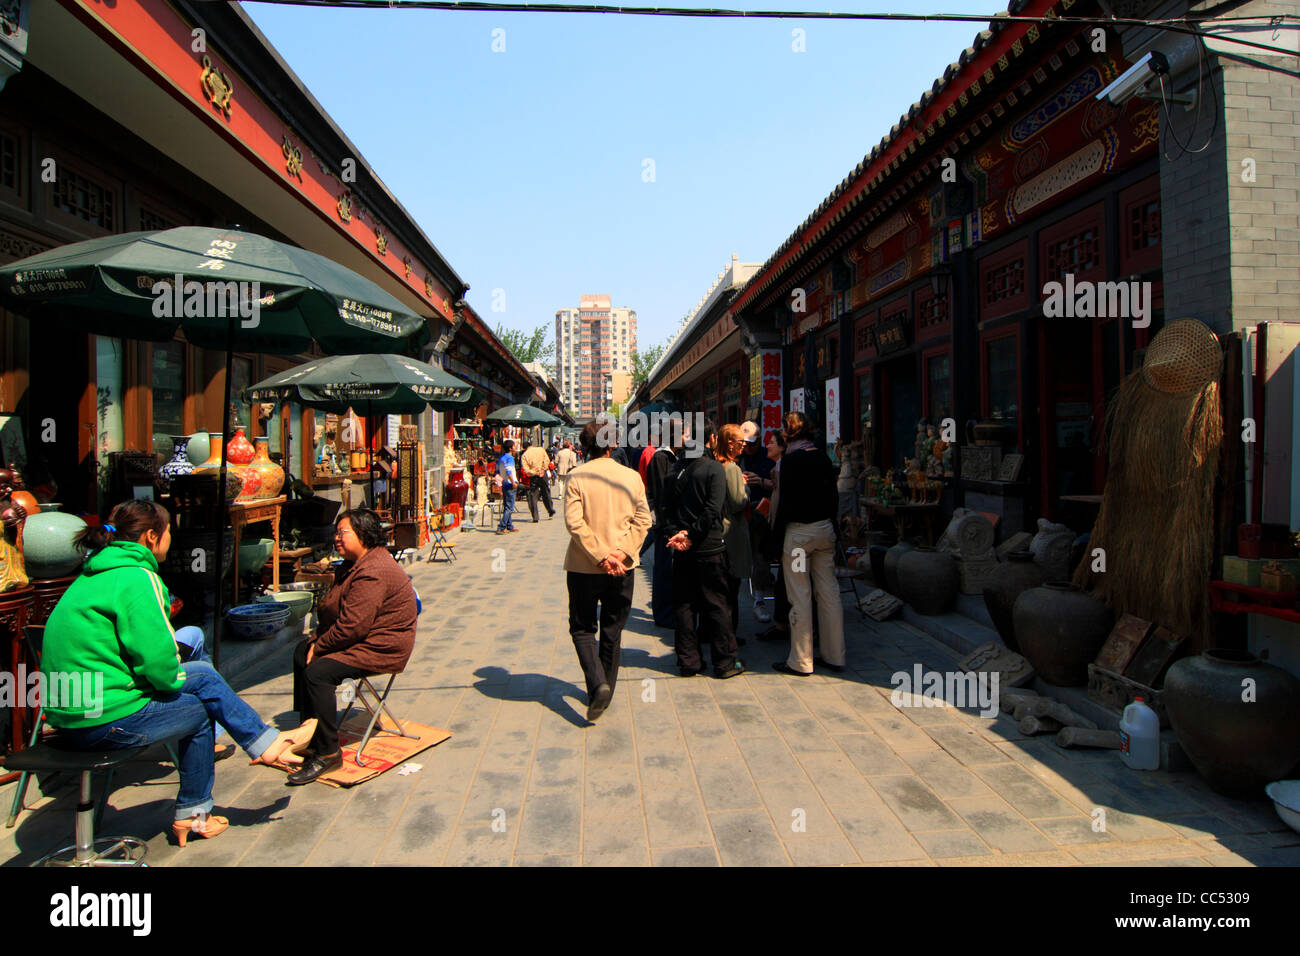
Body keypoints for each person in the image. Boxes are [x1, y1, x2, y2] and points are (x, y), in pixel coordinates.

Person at [41, 500, 309, 846]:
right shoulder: (136, 577)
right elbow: (159, 666)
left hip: (67, 717)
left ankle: (264, 744)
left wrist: (180, 679)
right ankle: (196, 814)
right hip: (101, 721)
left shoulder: (91, 575)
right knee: (199, 709)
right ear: (152, 536)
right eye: (169, 532)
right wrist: (178, 683)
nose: (171, 539)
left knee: (200, 674)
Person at [288, 508, 418, 784]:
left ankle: (328, 752)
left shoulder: (374, 570)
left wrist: (322, 646)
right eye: (336, 532)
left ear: (363, 535)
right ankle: (310, 731)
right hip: (361, 637)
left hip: (381, 645)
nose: (337, 538)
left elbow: (353, 626)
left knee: (318, 672)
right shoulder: (352, 565)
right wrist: (317, 641)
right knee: (302, 651)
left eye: (343, 532)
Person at [563, 421, 653, 722]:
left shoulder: (577, 476)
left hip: (583, 566)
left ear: (586, 445)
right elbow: (644, 520)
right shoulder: (630, 477)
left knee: (582, 628)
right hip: (623, 568)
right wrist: (620, 553)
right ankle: (605, 691)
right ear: (612, 444)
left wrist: (601, 555)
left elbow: (575, 523)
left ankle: (597, 684)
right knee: (612, 630)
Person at [662, 419, 745, 679]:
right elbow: (713, 509)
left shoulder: (675, 469)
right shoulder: (713, 469)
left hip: (683, 550)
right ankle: (725, 663)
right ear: (710, 440)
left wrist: (678, 534)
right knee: (717, 604)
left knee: (685, 606)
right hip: (709, 547)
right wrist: (692, 534)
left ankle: (689, 661)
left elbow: (664, 511)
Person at [771, 412, 844, 677]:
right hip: (824, 531)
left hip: (800, 537)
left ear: (788, 432)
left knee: (800, 594)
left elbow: (786, 505)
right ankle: (835, 654)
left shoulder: (791, 461)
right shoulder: (823, 457)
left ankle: (801, 660)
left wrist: (776, 540)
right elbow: (834, 496)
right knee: (828, 593)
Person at [716, 423, 753, 642]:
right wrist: (745, 487)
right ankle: (728, 636)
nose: (743, 446)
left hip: (721, 532)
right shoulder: (731, 469)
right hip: (731, 532)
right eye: (740, 442)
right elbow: (739, 501)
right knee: (730, 590)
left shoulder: (717, 465)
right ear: (729, 444)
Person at [738, 421, 776, 622]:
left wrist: (760, 481)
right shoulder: (735, 457)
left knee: (761, 558)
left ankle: (759, 600)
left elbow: (778, 486)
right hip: (739, 515)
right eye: (744, 443)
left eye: (751, 444)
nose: (747, 447)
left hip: (762, 514)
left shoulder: (769, 457)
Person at [644, 432, 682, 629]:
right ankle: (663, 614)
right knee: (663, 568)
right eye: (683, 433)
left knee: (669, 568)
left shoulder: (674, 457)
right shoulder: (660, 458)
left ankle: (668, 611)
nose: (686, 437)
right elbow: (661, 494)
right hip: (663, 523)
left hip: (669, 522)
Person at [520, 439, 556, 521]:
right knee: (546, 492)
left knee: (533, 495)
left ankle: (535, 517)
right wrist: (543, 470)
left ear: (524, 448)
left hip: (533, 476)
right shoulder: (541, 449)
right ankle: (550, 509)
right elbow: (547, 460)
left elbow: (526, 469)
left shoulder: (524, 455)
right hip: (543, 474)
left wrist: (534, 472)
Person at [495, 438, 519, 534]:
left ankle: (509, 526)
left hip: (504, 483)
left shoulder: (501, 458)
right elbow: (509, 471)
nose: (515, 447)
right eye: (514, 446)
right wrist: (513, 481)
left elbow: (497, 471)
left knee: (507, 506)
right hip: (509, 483)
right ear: (510, 448)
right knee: (510, 507)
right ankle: (501, 526)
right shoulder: (510, 458)